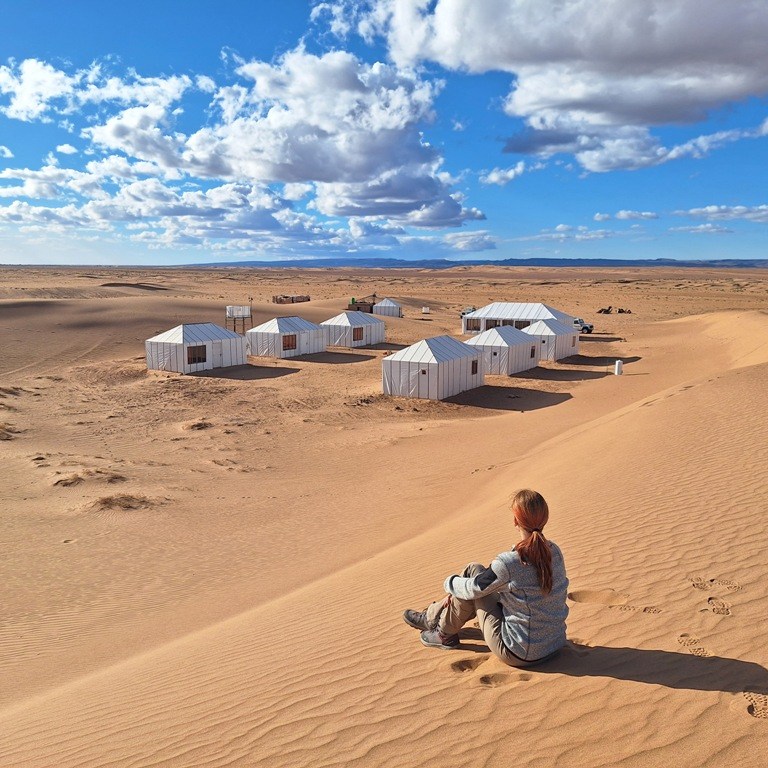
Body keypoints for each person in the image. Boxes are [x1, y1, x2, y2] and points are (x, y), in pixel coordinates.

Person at [403, 489, 569, 667]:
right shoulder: (555, 552)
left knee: (470, 580)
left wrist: (449, 582)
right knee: (475, 571)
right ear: (545, 519)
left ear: (515, 521)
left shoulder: (510, 562)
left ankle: (442, 633)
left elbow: (473, 588)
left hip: (520, 653)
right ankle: (433, 616)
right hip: (554, 644)